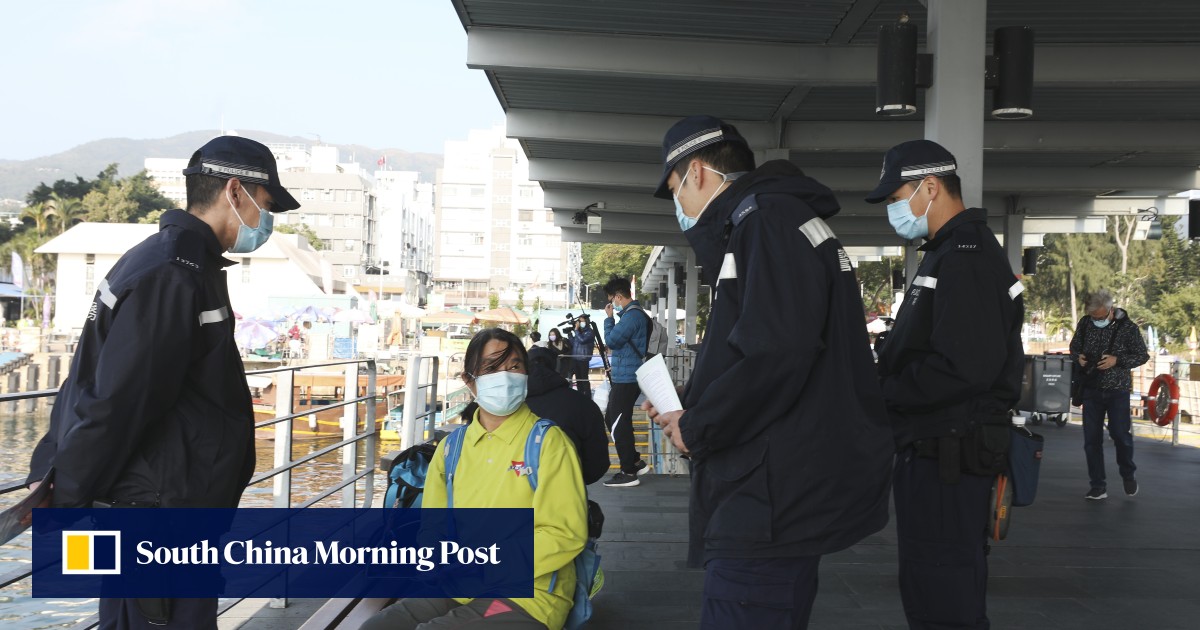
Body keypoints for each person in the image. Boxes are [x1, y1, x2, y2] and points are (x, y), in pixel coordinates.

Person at [24, 136, 300, 628]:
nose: (267, 218)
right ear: (235, 192)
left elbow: (89, 380)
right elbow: (120, 398)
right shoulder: (174, 273)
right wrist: (65, 492)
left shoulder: (171, 261)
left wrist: (56, 467)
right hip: (158, 512)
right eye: (266, 203)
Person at [643, 115, 893, 629]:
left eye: (674, 189)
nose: (679, 206)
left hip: (766, 496)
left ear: (698, 173)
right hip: (781, 483)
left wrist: (698, 425)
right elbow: (765, 341)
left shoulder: (766, 224)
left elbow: (775, 353)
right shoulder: (775, 222)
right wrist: (693, 400)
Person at [866, 139, 1025, 630]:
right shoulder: (948, 253)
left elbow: (963, 366)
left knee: (943, 591)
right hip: (936, 449)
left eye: (896, 199)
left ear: (929, 188)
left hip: (949, 455)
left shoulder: (967, 258)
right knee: (933, 583)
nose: (894, 211)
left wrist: (880, 393)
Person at [362, 329, 587, 630]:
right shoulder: (451, 448)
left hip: (528, 596)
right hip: (458, 584)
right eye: (492, 368)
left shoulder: (548, 443)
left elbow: (564, 532)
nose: (506, 376)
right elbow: (434, 524)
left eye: (515, 366)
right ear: (470, 382)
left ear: (527, 374)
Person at [1069, 290, 1148, 500]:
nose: (1096, 320)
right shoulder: (1085, 324)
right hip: (1091, 389)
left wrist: (1116, 360)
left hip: (1117, 390)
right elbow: (1074, 347)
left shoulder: (1129, 329)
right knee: (1091, 440)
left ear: (1111, 310)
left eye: (1100, 317)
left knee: (1121, 435)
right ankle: (1097, 486)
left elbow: (1142, 355)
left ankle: (1128, 474)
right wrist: (1080, 358)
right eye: (1093, 317)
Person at [600, 275, 652, 488]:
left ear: (619, 296)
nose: (611, 302)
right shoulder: (634, 315)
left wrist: (609, 319)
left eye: (612, 298)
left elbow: (612, 341)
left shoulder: (632, 317)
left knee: (617, 422)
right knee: (613, 417)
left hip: (628, 378)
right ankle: (635, 461)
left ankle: (628, 471)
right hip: (625, 376)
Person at [568, 315, 595, 396]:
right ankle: (580, 396)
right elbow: (574, 343)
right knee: (578, 379)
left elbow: (582, 340)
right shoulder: (579, 331)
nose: (580, 323)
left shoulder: (590, 332)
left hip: (583, 359)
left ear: (586, 322)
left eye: (582, 321)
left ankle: (588, 396)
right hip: (576, 358)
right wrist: (569, 334)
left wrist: (576, 330)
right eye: (579, 321)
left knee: (584, 379)